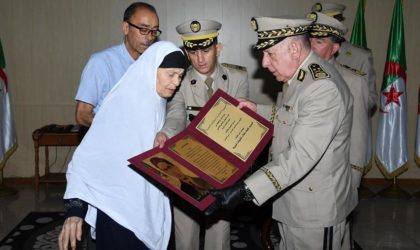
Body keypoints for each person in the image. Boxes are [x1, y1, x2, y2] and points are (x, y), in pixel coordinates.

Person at [207, 16, 358, 250]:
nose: (265, 63)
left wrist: (245, 189)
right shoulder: (304, 75)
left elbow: (300, 157)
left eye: (270, 54)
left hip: (314, 212)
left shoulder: (321, 87)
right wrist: (260, 110)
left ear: (295, 49)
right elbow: (295, 117)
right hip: (296, 202)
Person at [58, 41, 186, 250]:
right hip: (117, 212)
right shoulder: (123, 103)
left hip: (147, 205)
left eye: (180, 76)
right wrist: (75, 212)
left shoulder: (155, 99)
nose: (176, 82)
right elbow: (84, 160)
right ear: (152, 69)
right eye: (171, 74)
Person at [153, 19, 249, 250]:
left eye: (206, 50)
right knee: (185, 232)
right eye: (193, 52)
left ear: (218, 48)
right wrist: (165, 133)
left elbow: (241, 123)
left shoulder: (237, 77)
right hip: (188, 164)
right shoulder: (180, 78)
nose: (200, 59)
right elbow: (176, 115)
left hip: (223, 164)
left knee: (219, 233)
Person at [308, 11, 369, 191]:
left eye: (319, 42)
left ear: (334, 48)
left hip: (333, 178)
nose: (311, 47)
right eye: (309, 41)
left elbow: (357, 136)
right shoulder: (293, 78)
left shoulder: (352, 81)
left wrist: (353, 180)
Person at [75, 2, 160, 127]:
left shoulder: (154, 64)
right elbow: (82, 115)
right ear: (126, 28)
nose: (149, 37)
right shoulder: (101, 63)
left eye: (154, 31)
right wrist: (117, 130)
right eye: (143, 29)